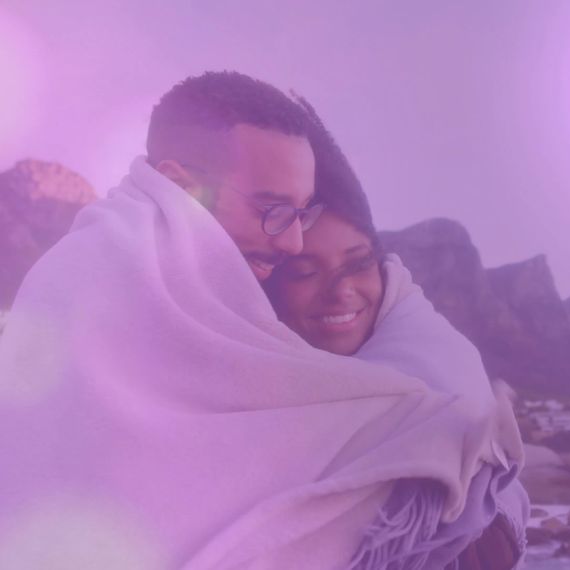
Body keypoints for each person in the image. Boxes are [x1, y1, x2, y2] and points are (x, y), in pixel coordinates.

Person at [0, 71, 522, 569]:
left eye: (301, 212)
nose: (292, 240)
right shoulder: (97, 283)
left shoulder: (202, 287)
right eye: (271, 210)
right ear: (180, 188)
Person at [263, 104, 529, 569]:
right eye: (305, 271)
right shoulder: (248, 395)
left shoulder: (440, 381)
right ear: (272, 289)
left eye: (358, 263)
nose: (341, 292)